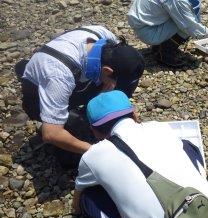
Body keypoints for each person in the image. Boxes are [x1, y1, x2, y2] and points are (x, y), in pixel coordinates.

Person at [73, 90, 208, 218]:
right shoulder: (160, 128)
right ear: (134, 114)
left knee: (88, 198)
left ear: (95, 131)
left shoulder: (92, 156)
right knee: (187, 146)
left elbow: (77, 205)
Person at [14, 25, 145, 167]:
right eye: (114, 81)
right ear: (107, 71)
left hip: (73, 75)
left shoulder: (106, 38)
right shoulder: (59, 75)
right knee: (75, 131)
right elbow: (51, 133)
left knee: (121, 85)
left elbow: (126, 73)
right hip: (38, 93)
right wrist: (97, 151)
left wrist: (128, 108)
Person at [128, 0, 208, 67]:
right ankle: (164, 53)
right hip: (148, 30)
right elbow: (191, 28)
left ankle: (160, 46)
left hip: (145, 22)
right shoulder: (178, 1)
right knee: (186, 25)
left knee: (187, 18)